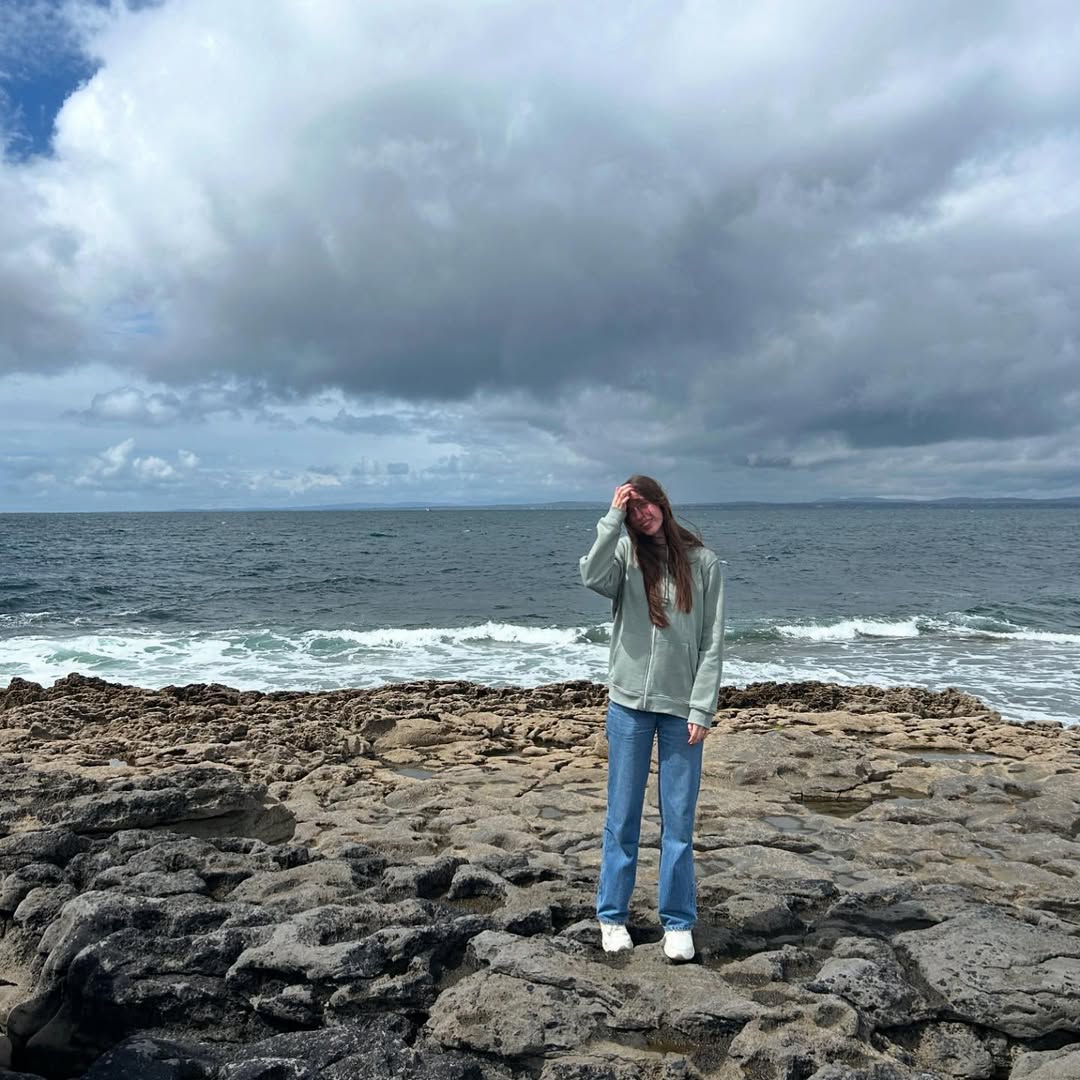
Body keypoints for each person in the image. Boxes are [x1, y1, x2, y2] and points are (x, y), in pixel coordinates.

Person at [580, 475, 725, 962]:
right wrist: (611, 519)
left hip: (682, 711)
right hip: (628, 707)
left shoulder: (703, 563)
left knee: (678, 821)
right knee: (622, 817)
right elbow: (591, 576)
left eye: (646, 504)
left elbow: (711, 641)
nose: (642, 514)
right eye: (632, 508)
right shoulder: (624, 555)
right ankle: (612, 916)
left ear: (663, 503)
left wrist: (702, 706)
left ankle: (678, 923)